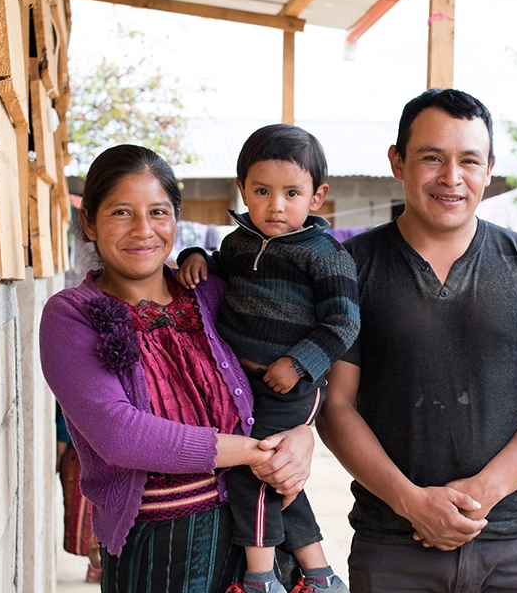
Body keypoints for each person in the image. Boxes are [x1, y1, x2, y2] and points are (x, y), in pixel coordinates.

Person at [315, 88, 517, 593]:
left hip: (513, 545)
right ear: (397, 162)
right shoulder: (349, 269)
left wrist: (481, 495)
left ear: (490, 169)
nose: (452, 177)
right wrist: (411, 502)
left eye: (470, 161)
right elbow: (335, 406)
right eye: (432, 158)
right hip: (392, 546)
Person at [39, 144, 315, 593]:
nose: (143, 230)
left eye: (158, 212)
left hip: (258, 534)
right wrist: (255, 452)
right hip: (157, 550)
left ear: (176, 219)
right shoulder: (72, 315)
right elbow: (119, 434)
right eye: (122, 213)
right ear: (88, 222)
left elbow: (286, 368)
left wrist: (302, 434)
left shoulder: (213, 293)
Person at [177, 123, 359, 593]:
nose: (276, 205)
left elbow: (344, 322)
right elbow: (218, 268)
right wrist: (196, 256)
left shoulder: (325, 255)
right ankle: (319, 575)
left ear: (317, 197)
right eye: (262, 191)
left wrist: (298, 363)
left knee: (253, 469)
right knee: (277, 476)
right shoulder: (239, 242)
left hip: (291, 388)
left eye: (291, 193)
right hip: (244, 385)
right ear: (242, 190)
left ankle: (259, 578)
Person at [56, 404, 101, 583]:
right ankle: (97, 567)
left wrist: (58, 455)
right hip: (82, 453)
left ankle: (97, 567)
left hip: (84, 454)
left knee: (90, 517)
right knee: (87, 518)